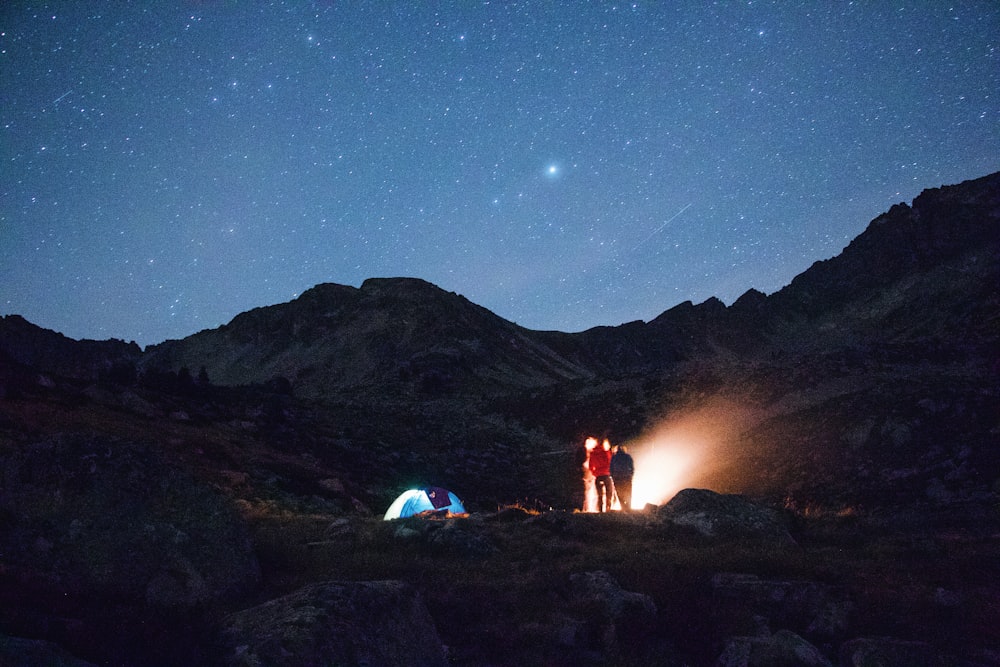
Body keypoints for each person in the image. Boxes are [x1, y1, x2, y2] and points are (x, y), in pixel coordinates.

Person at [589, 438, 615, 512]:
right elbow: (610, 462)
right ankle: (608, 509)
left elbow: (590, 466)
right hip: (606, 475)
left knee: (599, 495)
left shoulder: (592, 453)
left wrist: (595, 473)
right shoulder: (605, 452)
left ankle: (600, 510)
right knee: (609, 493)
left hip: (598, 476)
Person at [610, 444, 635, 511]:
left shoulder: (614, 457)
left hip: (617, 478)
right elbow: (632, 467)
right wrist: (631, 475)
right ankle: (628, 506)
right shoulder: (628, 456)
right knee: (628, 492)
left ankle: (623, 506)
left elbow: (611, 468)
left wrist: (613, 477)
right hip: (627, 477)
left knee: (619, 492)